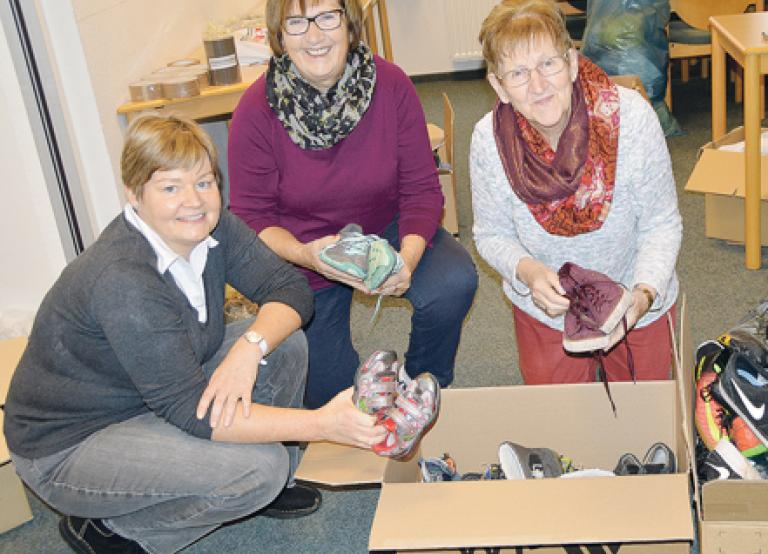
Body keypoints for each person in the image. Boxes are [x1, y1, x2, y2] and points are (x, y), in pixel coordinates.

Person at [2, 115, 387, 554]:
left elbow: (290, 290)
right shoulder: (124, 279)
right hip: (70, 445)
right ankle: (116, 532)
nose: (194, 201)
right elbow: (191, 411)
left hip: (144, 393)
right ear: (134, 193)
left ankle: (261, 484)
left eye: (204, 182)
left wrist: (249, 347)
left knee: (284, 345)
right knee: (259, 469)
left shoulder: (215, 225)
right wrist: (323, 424)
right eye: (170, 187)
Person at [229, 0, 478, 408]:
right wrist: (306, 255)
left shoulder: (392, 84)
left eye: (327, 16)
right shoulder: (256, 110)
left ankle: (420, 387)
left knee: (453, 283)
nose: (314, 35)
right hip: (305, 248)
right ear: (279, 35)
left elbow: (421, 188)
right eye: (297, 22)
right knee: (331, 399)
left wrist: (407, 263)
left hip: (386, 223)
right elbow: (251, 218)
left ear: (348, 23)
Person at [470, 0, 682, 384]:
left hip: (637, 295)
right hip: (545, 309)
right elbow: (491, 234)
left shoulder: (631, 119)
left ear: (571, 62)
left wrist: (643, 294)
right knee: (560, 427)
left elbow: (661, 224)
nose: (538, 87)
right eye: (517, 73)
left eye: (548, 64)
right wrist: (530, 272)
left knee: (646, 420)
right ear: (498, 86)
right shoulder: (489, 140)